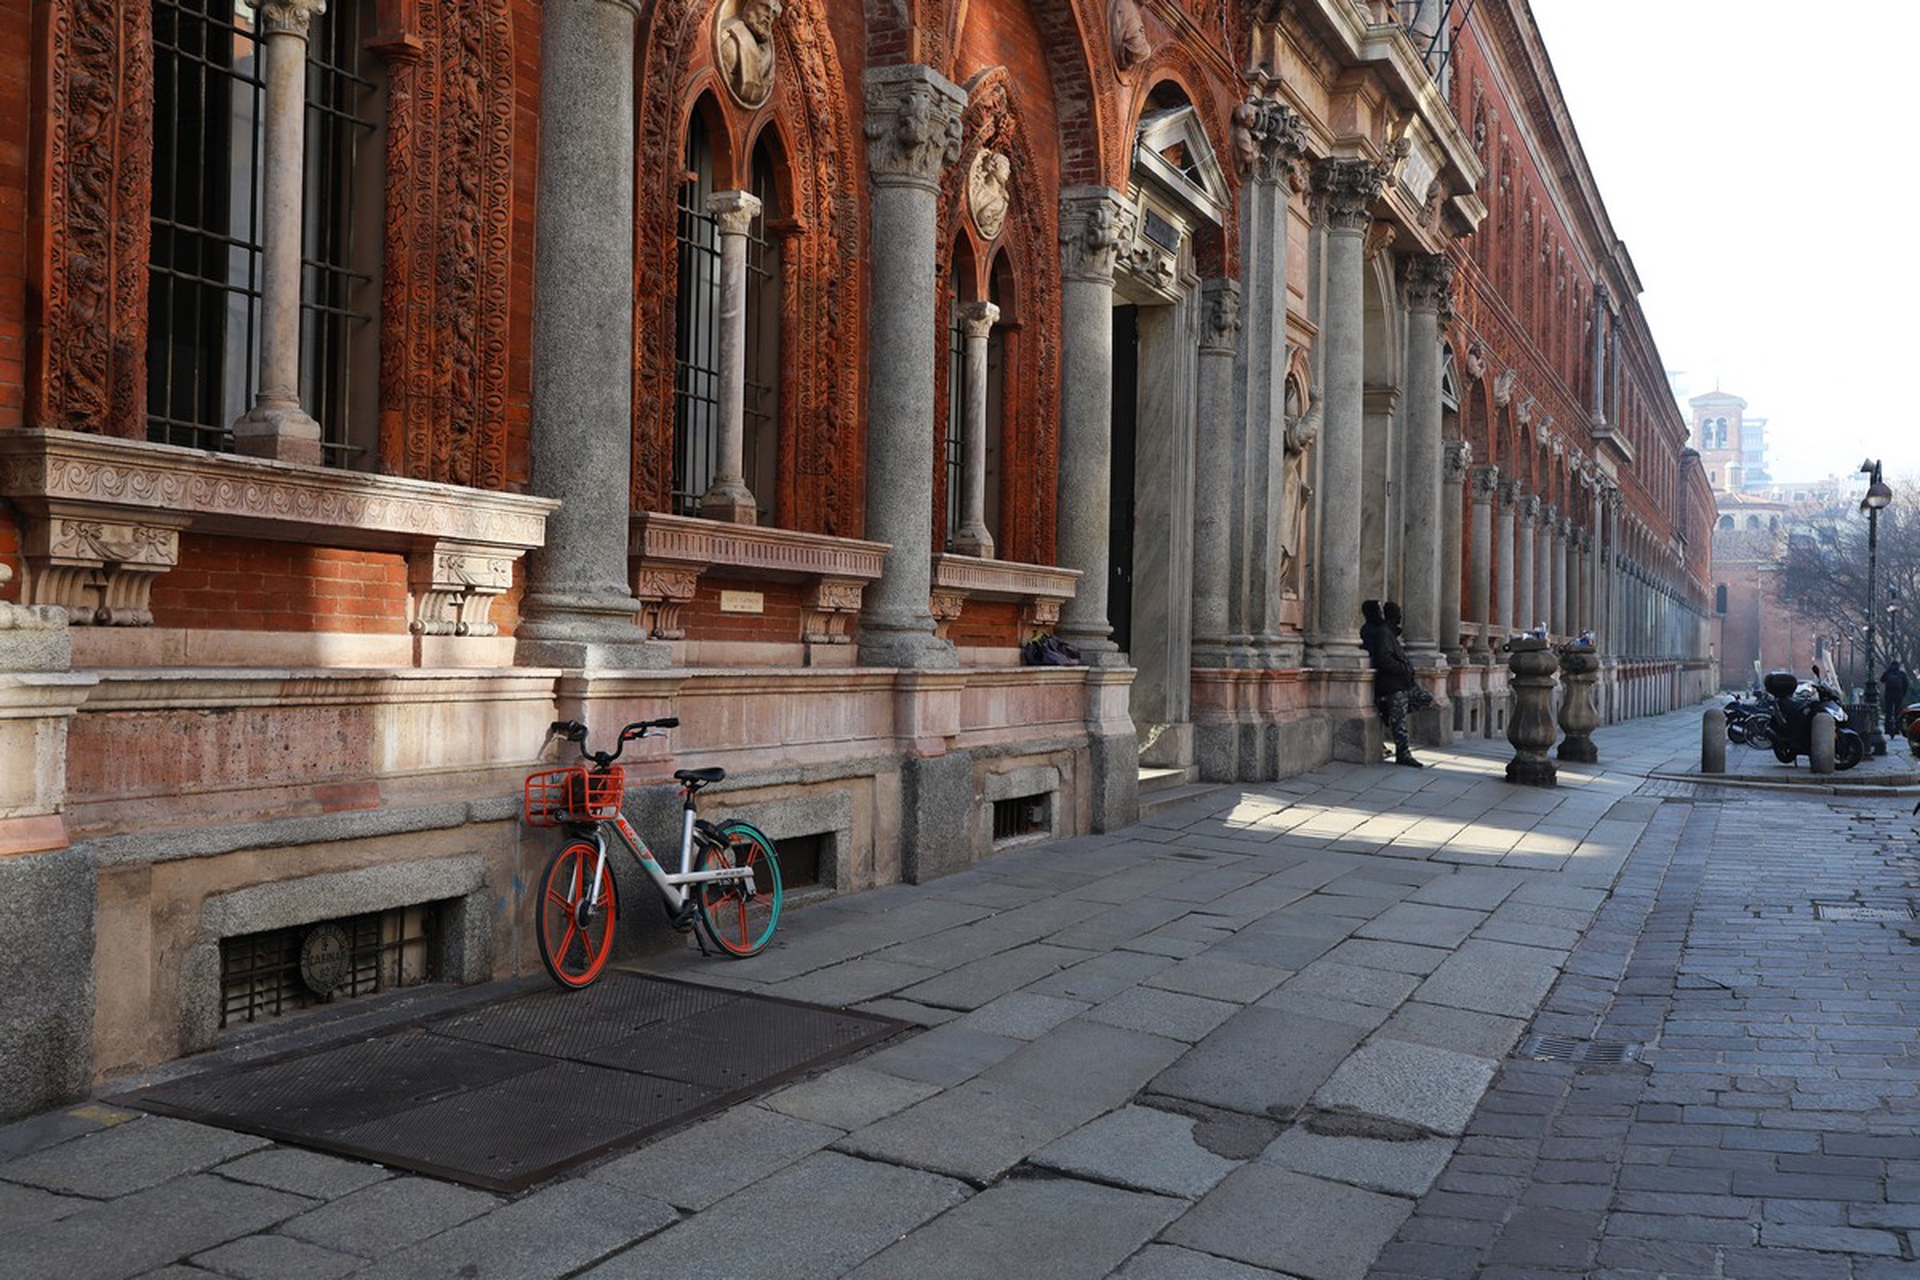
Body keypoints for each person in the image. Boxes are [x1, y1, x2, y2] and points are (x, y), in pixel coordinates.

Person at [1361, 600, 1422, 767]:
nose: (1400, 616)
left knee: (1424, 698)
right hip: (1392, 683)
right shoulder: (1383, 632)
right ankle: (1403, 754)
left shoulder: (1388, 632)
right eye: (1398, 612)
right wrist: (1403, 668)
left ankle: (1389, 714)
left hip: (1400, 683)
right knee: (1400, 722)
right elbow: (1384, 658)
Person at [1882, 659, 1910, 736]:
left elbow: (1882, 680)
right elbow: (1906, 685)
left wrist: (1887, 672)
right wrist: (1903, 694)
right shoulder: (1901, 673)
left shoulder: (1888, 673)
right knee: (1898, 712)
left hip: (1889, 694)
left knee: (1888, 712)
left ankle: (1887, 729)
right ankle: (1897, 728)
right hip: (1898, 694)